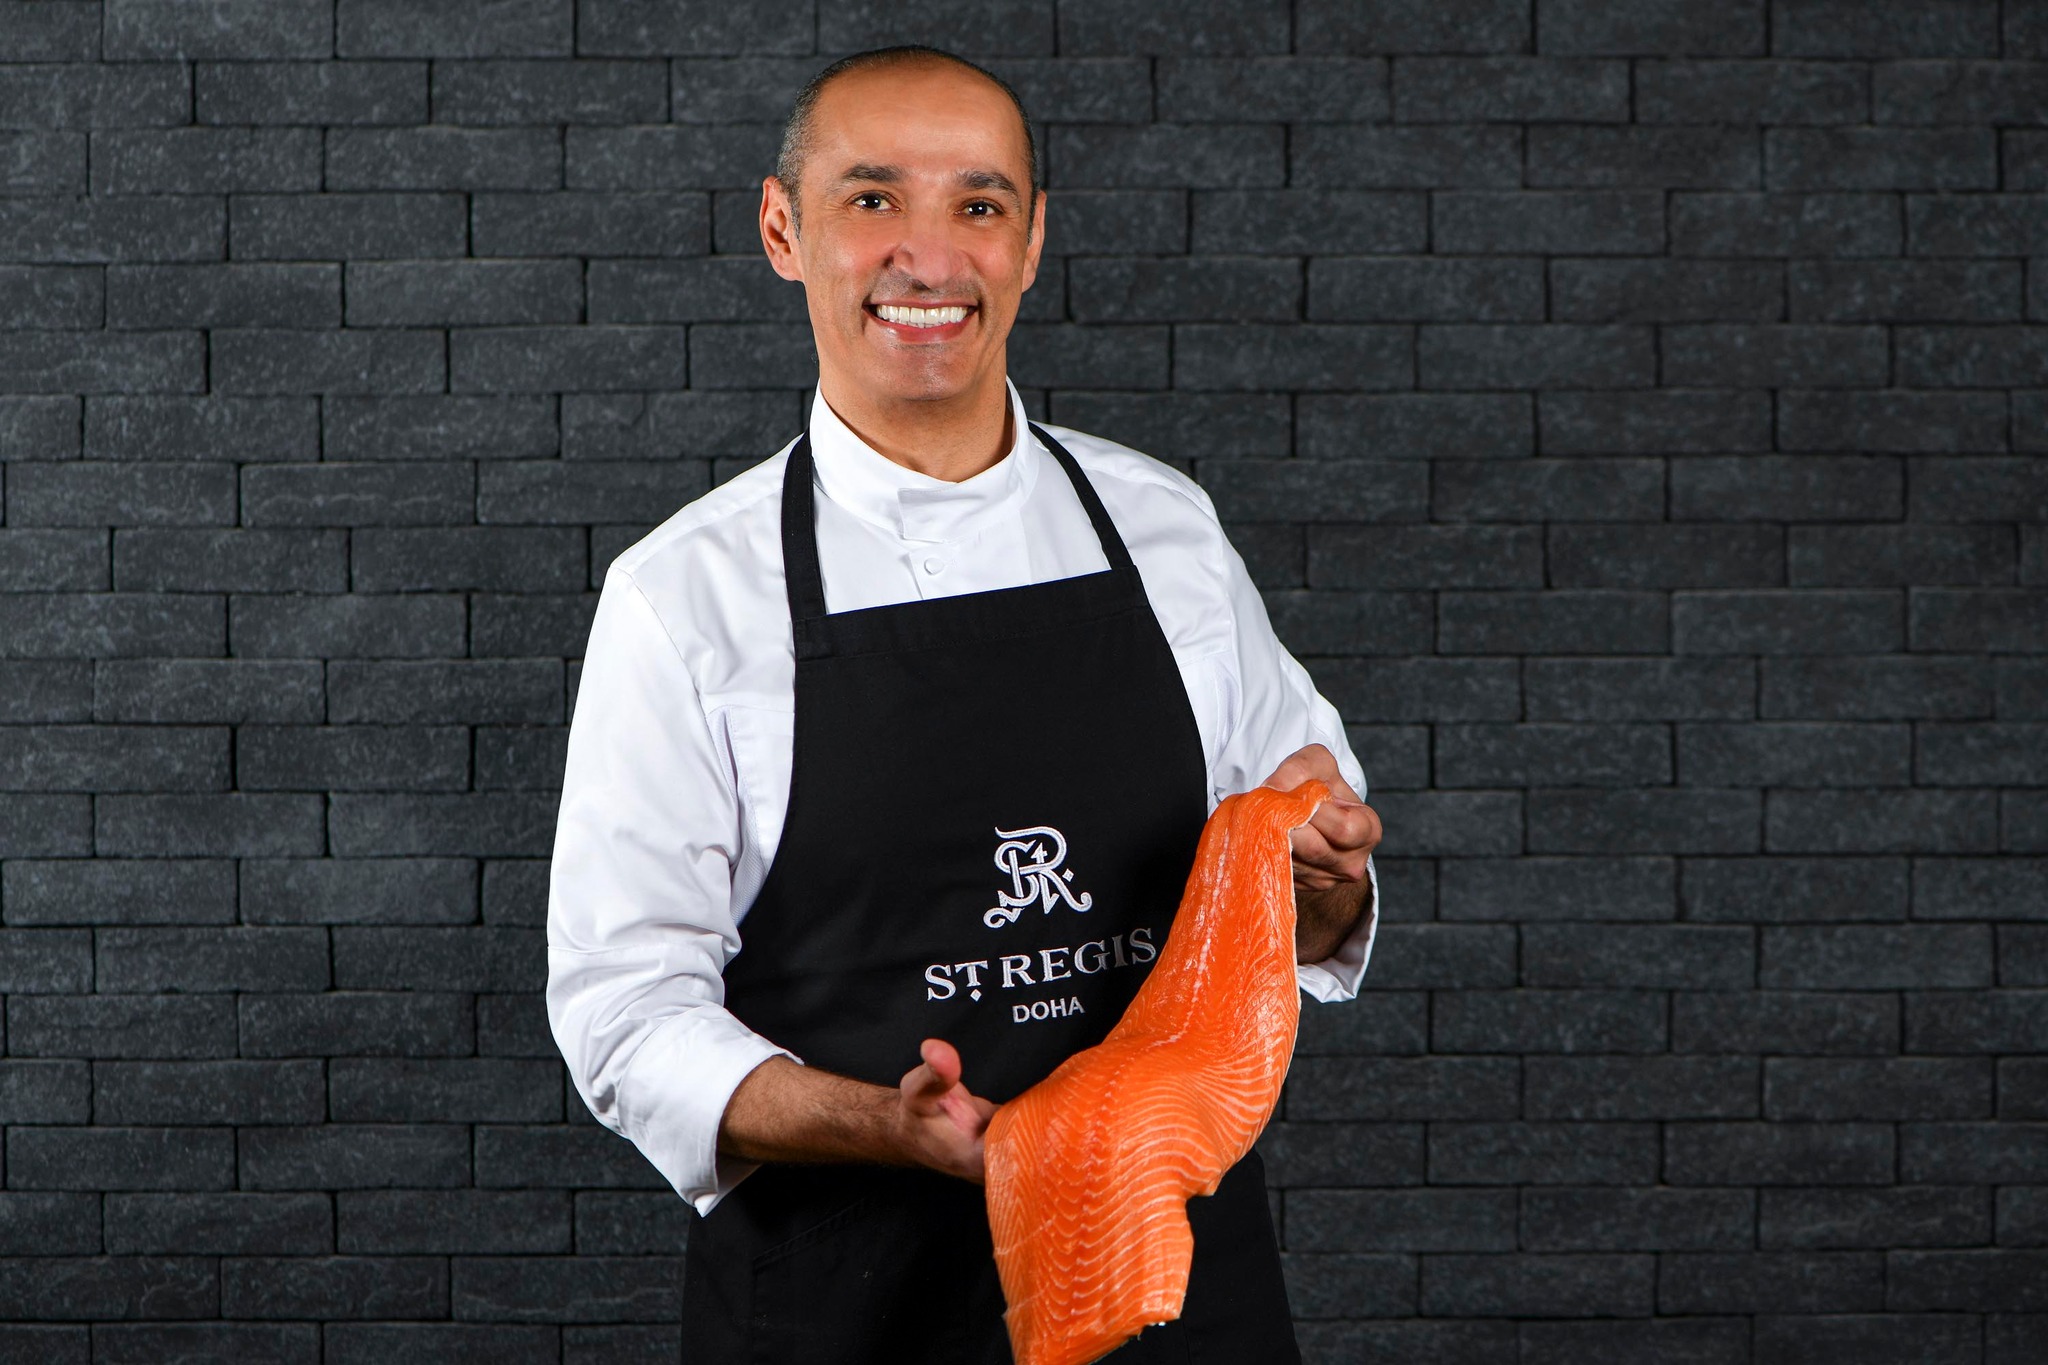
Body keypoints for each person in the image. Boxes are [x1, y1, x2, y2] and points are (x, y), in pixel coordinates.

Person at [546, 44, 1383, 1365]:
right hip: (845, 1305)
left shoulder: (1163, 528)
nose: (928, 258)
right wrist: (881, 1122)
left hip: (1174, 1286)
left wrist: (1324, 880)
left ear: (1032, 240)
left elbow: (1302, 900)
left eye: (978, 205)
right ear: (783, 230)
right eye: (873, 198)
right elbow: (622, 1011)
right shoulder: (684, 596)